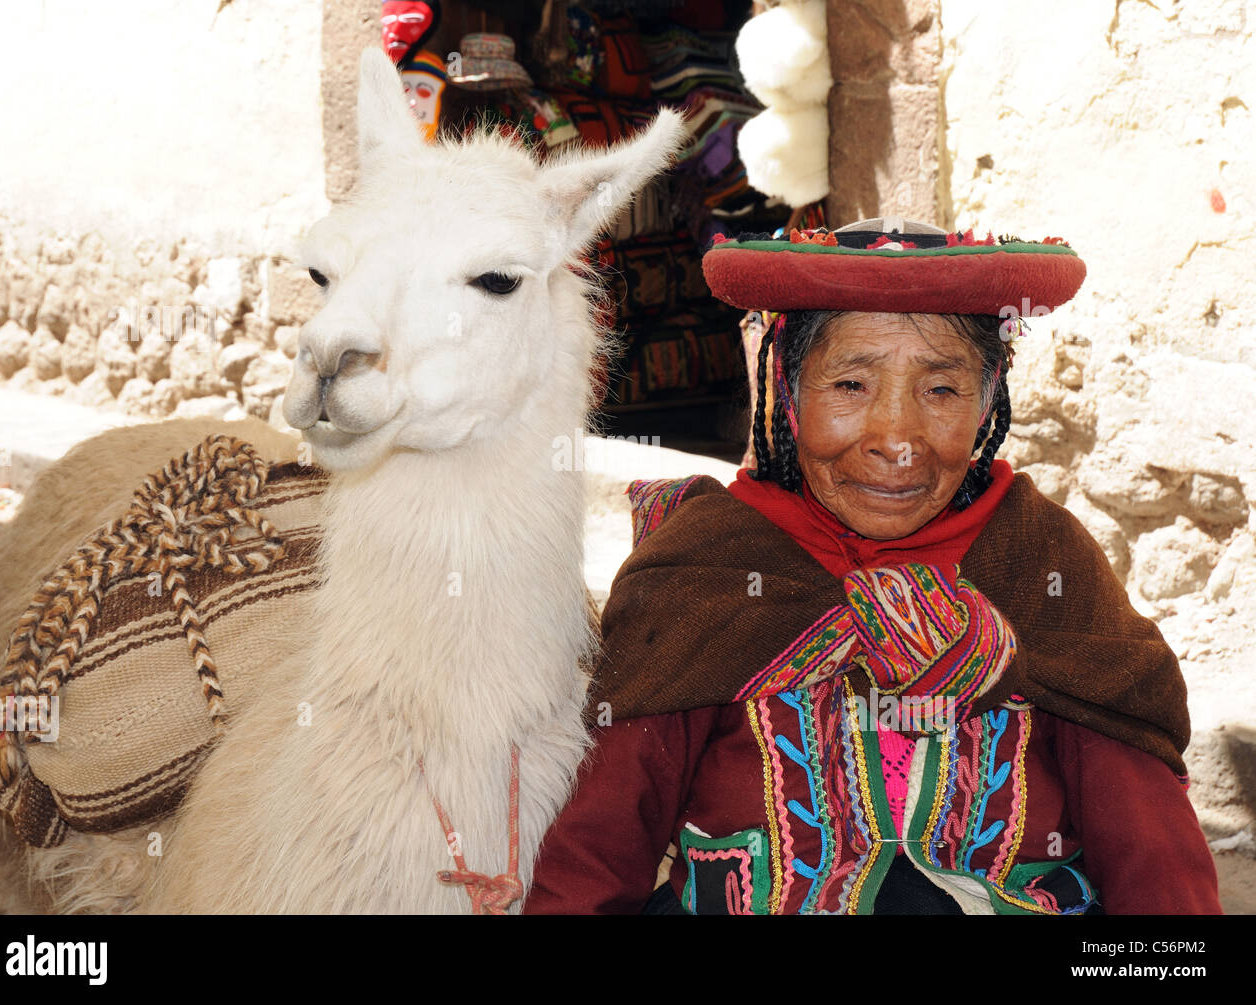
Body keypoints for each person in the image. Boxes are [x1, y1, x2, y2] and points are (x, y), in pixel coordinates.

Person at [523, 218, 1223, 915]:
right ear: (788, 391)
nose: (896, 438)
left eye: (942, 391)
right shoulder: (706, 566)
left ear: (989, 401)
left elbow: (1151, 847)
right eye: (852, 385)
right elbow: (601, 839)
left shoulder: (1040, 560)